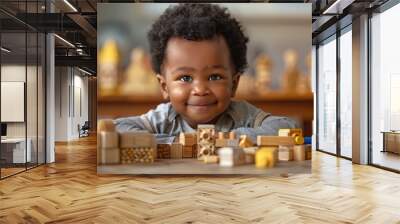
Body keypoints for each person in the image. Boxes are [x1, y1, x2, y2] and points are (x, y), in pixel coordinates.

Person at [115, 3, 296, 143]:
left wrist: (227, 139)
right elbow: (118, 128)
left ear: (234, 84)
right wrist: (176, 142)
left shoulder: (241, 115)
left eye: (214, 77)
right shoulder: (163, 119)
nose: (200, 89)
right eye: (185, 78)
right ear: (164, 86)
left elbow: (286, 126)